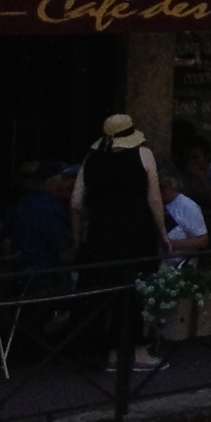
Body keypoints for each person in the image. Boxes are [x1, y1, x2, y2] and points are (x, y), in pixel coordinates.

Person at [70, 112, 169, 373]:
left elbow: (76, 203)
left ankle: (106, 353)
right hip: (136, 232)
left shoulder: (91, 159)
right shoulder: (143, 155)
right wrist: (163, 232)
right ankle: (137, 351)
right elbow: (154, 200)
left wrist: (81, 233)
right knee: (134, 291)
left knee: (102, 291)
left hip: (101, 233)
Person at [2, 159, 73, 278]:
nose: (71, 184)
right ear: (53, 181)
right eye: (65, 179)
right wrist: (76, 215)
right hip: (43, 281)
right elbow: (68, 256)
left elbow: (1, 227)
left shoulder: (23, 201)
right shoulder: (50, 209)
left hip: (20, 277)